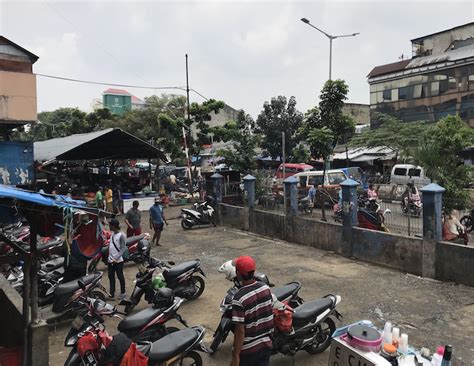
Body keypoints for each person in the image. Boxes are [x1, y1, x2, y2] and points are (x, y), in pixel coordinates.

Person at [230, 255, 274, 366]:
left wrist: (235, 356)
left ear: (238, 274)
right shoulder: (265, 288)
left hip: (249, 351)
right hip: (266, 345)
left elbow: (240, 331)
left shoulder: (239, 298)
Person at [108, 218, 127, 300]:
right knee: (111, 277)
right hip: (110, 260)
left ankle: (123, 293)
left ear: (114, 226)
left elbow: (123, 248)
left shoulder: (121, 236)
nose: (109, 226)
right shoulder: (112, 235)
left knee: (120, 276)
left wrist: (116, 258)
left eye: (110, 225)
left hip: (118, 261)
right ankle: (111, 294)